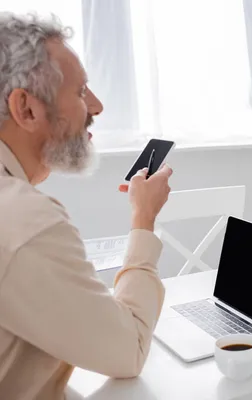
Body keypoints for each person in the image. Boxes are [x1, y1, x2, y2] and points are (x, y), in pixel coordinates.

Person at [0, 13, 172, 399]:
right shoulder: (25, 219)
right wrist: (143, 219)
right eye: (80, 92)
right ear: (25, 109)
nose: (97, 105)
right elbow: (128, 352)